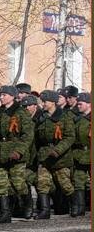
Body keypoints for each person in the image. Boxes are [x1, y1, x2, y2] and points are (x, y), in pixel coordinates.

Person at [0, 86, 34, 222]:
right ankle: (5, 213)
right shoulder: (0, 112)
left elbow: (27, 135)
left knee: (18, 182)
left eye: (4, 95)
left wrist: (19, 151)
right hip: (1, 152)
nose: (1, 97)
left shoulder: (21, 113)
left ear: (12, 96)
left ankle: (28, 205)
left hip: (16, 152)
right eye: (1, 95)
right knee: (1, 183)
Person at [33, 90, 76, 220]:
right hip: (45, 156)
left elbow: (69, 137)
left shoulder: (64, 117)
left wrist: (58, 150)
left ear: (52, 102)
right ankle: (45, 211)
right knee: (42, 182)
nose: (43, 104)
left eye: (45, 101)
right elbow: (37, 138)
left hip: (60, 156)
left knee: (65, 184)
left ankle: (75, 206)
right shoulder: (42, 117)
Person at [71, 92, 91, 217]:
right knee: (78, 181)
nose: (78, 106)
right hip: (79, 154)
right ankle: (80, 208)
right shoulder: (77, 119)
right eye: (77, 104)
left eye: (80, 104)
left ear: (89, 104)